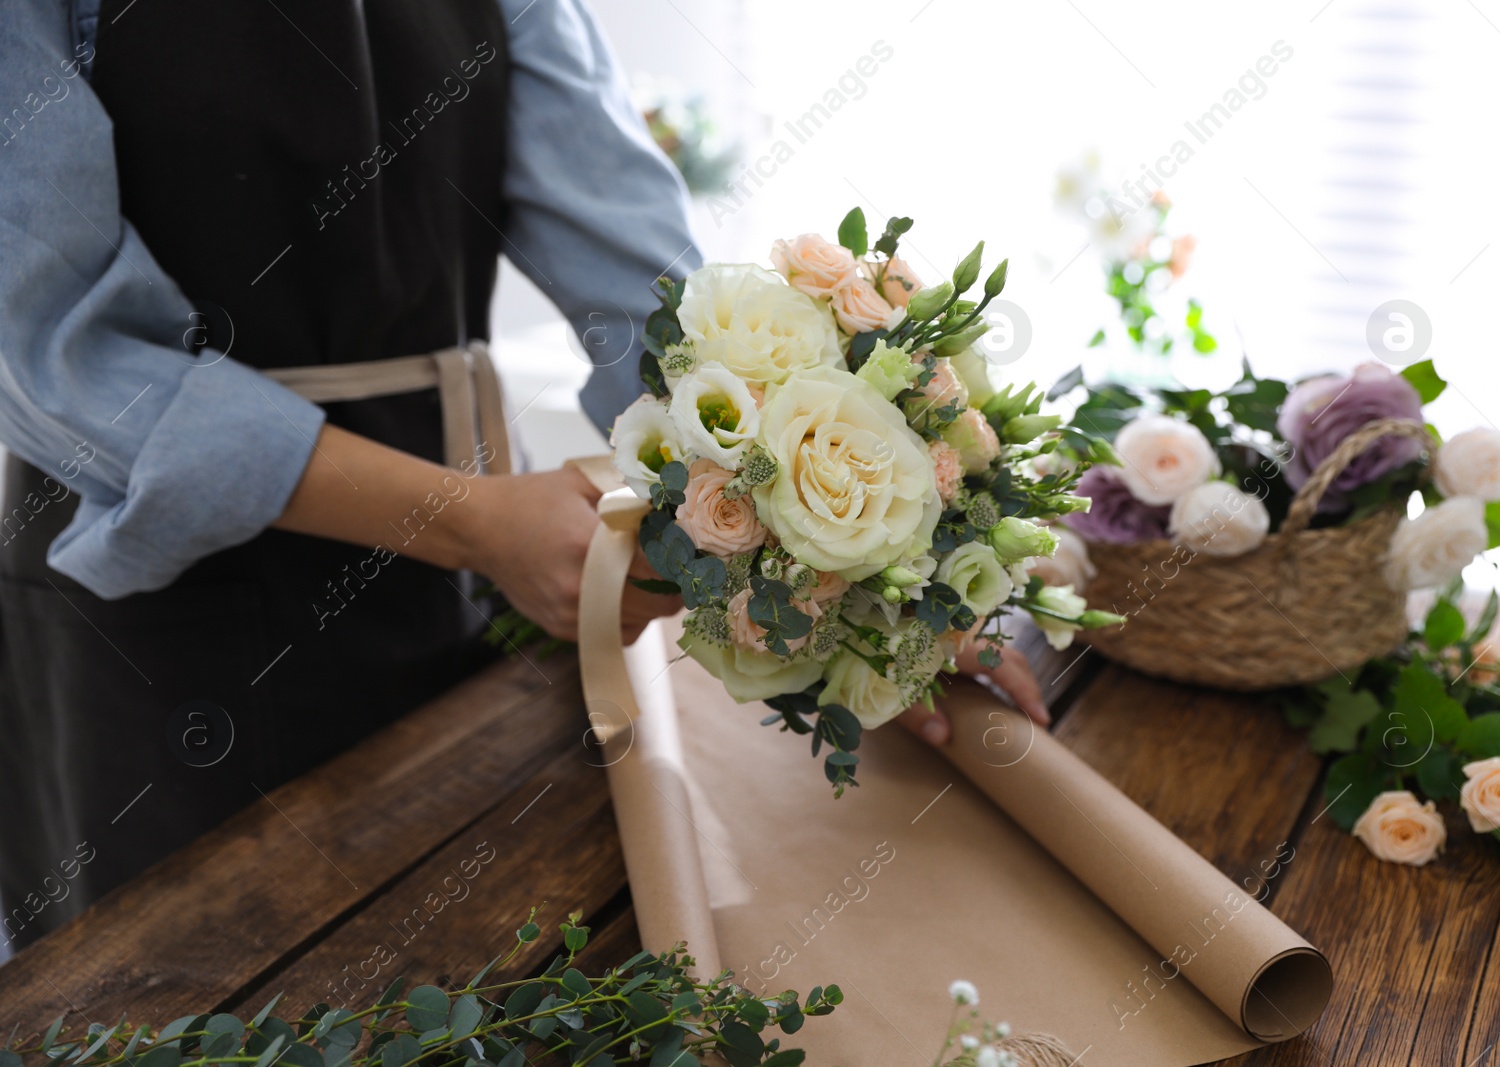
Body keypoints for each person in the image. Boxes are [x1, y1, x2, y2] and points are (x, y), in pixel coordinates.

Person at [0, 0, 1045, 951]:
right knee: (192, 982)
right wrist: (472, 523)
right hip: (157, 626)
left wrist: (864, 590)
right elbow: (63, 357)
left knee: (454, 954)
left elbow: (648, 298)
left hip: (456, 559)